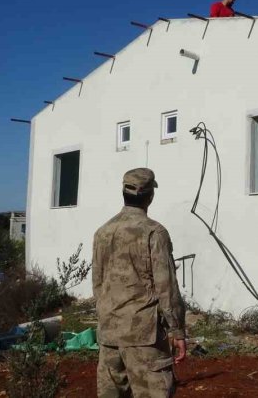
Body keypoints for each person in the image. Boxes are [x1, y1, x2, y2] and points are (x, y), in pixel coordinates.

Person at [93, 168, 186, 398]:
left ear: (123, 193)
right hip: (144, 336)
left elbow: (98, 283)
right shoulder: (154, 232)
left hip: (109, 334)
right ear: (150, 196)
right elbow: (166, 287)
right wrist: (177, 330)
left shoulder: (102, 232)